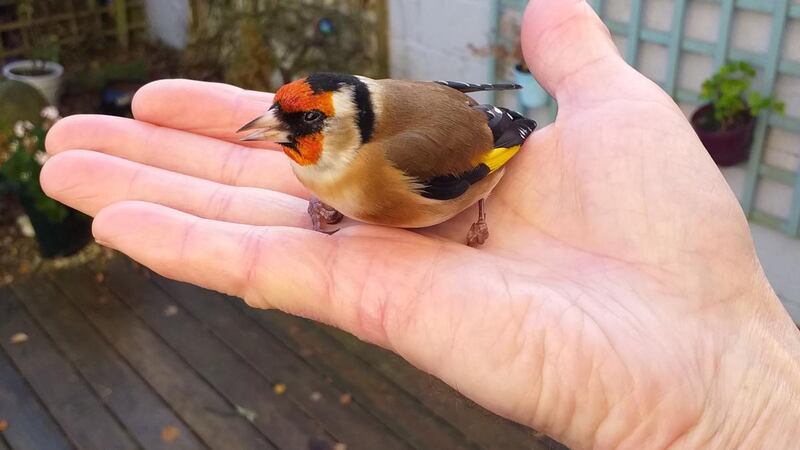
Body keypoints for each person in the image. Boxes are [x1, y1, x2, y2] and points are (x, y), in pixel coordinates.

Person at [41, 0, 799, 448]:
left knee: (473, 169)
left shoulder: (403, 160)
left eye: (299, 122)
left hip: (476, 135)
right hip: (424, 112)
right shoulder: (321, 155)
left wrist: (474, 205)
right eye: (281, 116)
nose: (278, 128)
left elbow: (498, 138)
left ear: (345, 126)